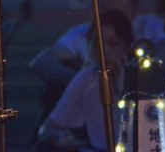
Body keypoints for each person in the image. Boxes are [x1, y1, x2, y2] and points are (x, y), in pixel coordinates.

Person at [35, 10, 134, 152]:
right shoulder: (87, 78)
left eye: (113, 44)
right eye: (97, 45)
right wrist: (62, 136)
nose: (104, 52)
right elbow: (48, 129)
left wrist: (123, 90)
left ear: (127, 46)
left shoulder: (143, 77)